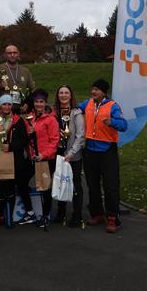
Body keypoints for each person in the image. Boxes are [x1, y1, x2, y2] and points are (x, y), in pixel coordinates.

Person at [79, 78, 128, 233]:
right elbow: (73, 107)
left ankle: (113, 218)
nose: (93, 92)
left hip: (107, 151)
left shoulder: (113, 106)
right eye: (92, 89)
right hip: (90, 150)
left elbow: (124, 125)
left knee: (110, 186)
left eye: (96, 89)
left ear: (104, 92)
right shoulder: (88, 103)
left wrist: (112, 122)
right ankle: (97, 213)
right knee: (92, 185)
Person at [0, 94, 30, 228]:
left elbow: (24, 140)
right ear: (0, 105)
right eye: (4, 104)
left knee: (10, 189)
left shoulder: (18, 121)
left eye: (9, 104)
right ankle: (0, 217)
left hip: (13, 158)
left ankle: (9, 217)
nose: (7, 107)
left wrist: (11, 146)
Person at [52, 85, 85, 228]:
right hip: (58, 155)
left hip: (73, 155)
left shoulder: (76, 113)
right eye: (61, 93)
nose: (64, 95)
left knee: (76, 185)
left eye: (66, 93)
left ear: (71, 95)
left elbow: (80, 136)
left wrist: (71, 153)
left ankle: (77, 215)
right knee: (60, 183)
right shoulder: (54, 112)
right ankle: (61, 213)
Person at [27, 89, 59, 229]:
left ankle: (45, 215)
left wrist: (43, 155)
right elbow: (29, 140)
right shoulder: (31, 118)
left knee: (45, 188)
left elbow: (54, 141)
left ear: (45, 103)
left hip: (46, 158)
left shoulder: (51, 120)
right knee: (23, 181)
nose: (39, 104)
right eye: (36, 102)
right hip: (34, 158)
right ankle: (30, 212)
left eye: (41, 102)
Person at [0, 44, 36, 110]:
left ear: (18, 54)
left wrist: (28, 104)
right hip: (2, 110)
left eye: (15, 53)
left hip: (21, 110)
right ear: (5, 55)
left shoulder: (25, 71)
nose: (12, 55)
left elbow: (33, 90)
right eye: (9, 53)